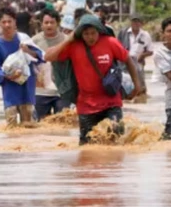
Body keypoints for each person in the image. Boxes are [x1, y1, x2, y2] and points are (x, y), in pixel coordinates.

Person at [45, 15, 145, 145]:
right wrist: (69, 39)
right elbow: (49, 57)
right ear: (80, 34)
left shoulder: (110, 42)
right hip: (86, 105)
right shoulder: (74, 46)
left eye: (93, 33)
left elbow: (128, 60)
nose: (90, 37)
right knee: (86, 145)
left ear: (99, 31)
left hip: (111, 101)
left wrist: (137, 85)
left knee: (116, 132)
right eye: (86, 34)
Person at [0, 9, 41, 127]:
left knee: (29, 126)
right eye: (4, 22)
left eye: (10, 21)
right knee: (11, 125)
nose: (7, 25)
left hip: (27, 87)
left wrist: (27, 50)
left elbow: (40, 57)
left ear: (15, 22)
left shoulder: (24, 39)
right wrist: (8, 75)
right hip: (10, 89)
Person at [31, 10, 70, 120]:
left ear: (57, 23)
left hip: (62, 91)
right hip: (40, 92)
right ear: (41, 24)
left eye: (52, 22)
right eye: (46, 22)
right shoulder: (34, 41)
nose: (49, 25)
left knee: (63, 125)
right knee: (40, 126)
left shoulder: (66, 40)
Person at [118, 16, 154, 98]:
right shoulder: (124, 32)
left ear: (141, 23)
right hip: (124, 62)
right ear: (131, 22)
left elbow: (150, 51)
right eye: (134, 21)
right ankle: (127, 98)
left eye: (138, 21)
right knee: (125, 82)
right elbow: (117, 46)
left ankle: (141, 97)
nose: (136, 24)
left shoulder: (145, 35)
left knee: (140, 84)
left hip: (138, 62)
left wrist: (142, 55)